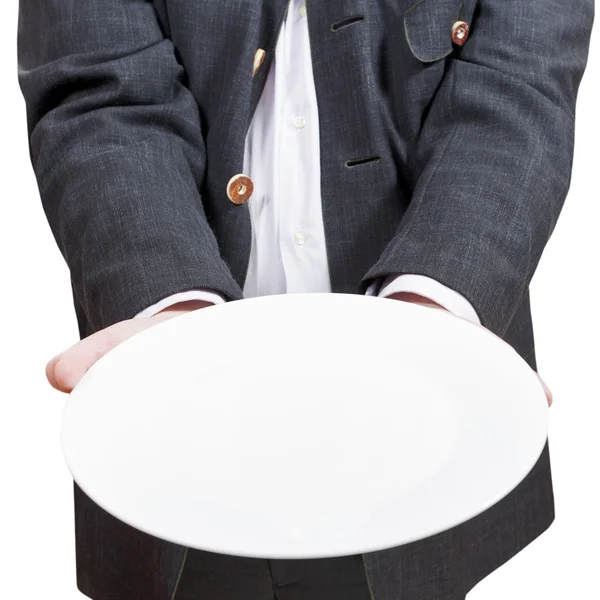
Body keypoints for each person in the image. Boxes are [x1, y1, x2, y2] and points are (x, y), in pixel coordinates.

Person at [17, 0, 592, 599]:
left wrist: (436, 320)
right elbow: (101, 94)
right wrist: (172, 321)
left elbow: (517, 82)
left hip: (422, 441)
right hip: (176, 447)